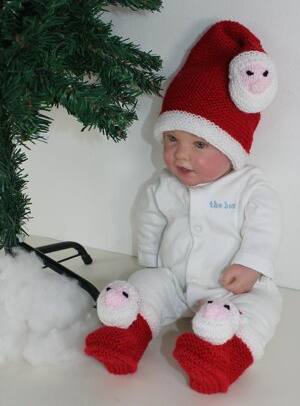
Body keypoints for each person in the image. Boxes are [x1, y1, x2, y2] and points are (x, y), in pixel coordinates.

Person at [85, 20, 282, 395]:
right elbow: (149, 219)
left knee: (263, 308)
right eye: (172, 138)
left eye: (200, 145)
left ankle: (221, 356)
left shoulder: (249, 185)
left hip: (232, 290)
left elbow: (266, 225)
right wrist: (147, 260)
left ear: (231, 147)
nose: (180, 154)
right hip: (174, 280)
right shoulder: (164, 184)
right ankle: (126, 335)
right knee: (144, 285)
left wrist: (253, 265)